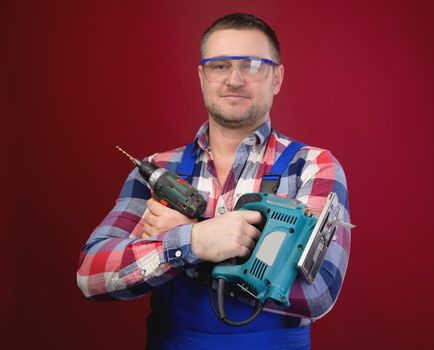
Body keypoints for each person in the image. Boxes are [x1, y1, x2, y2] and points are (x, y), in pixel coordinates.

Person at [77, 13, 351, 350]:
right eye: (219, 65)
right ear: (202, 76)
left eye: (252, 65)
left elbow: (316, 291)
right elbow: (93, 274)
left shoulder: (313, 166)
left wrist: (189, 243)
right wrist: (195, 240)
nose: (234, 80)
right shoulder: (157, 169)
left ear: (277, 78)